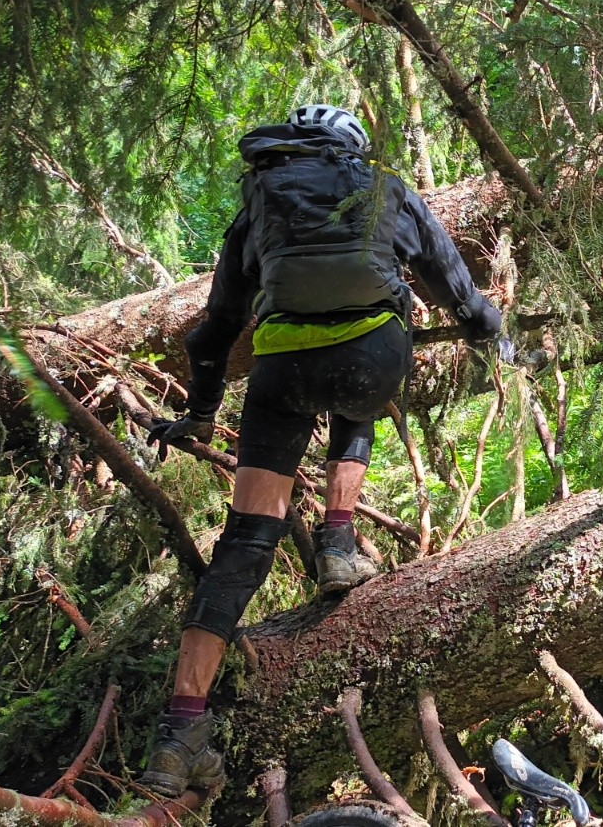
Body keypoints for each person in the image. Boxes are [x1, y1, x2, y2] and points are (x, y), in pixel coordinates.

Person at [137, 104, 501, 797]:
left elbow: (217, 324)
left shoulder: (262, 200)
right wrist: (491, 333)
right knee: (360, 390)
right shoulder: (384, 185)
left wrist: (202, 415)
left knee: (244, 545)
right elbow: (447, 276)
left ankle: (179, 733)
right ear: (352, 151)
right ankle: (339, 539)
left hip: (279, 372)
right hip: (373, 361)